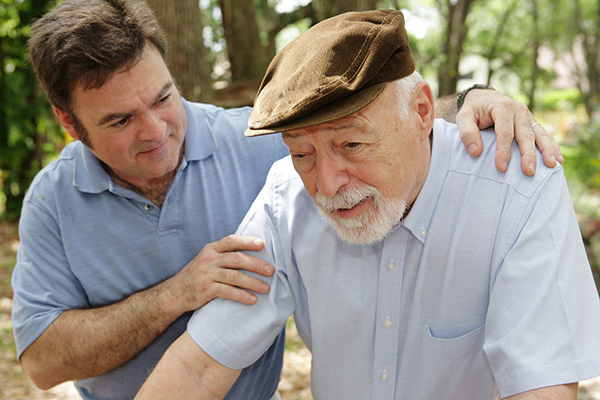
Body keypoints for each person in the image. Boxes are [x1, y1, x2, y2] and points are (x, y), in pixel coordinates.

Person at [12, 1, 561, 399]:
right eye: (121, 119)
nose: (156, 130)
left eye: (163, 98)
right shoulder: (52, 204)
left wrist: (475, 100)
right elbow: (41, 363)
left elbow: (369, 121)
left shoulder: (256, 147)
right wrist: (175, 294)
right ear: (70, 122)